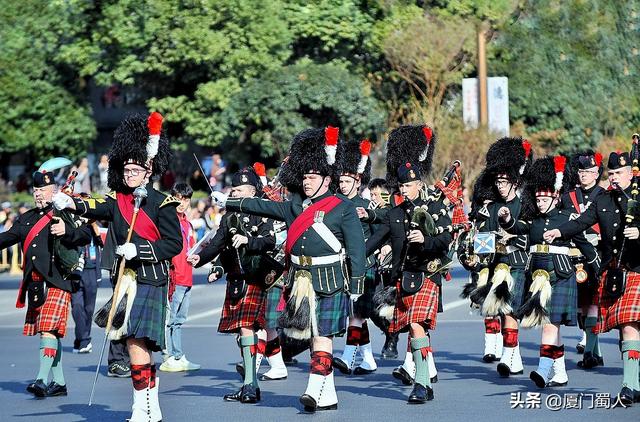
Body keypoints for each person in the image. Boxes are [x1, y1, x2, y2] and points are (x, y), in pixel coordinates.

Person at [210, 127, 366, 412]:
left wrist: (356, 288)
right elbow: (262, 206)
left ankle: (313, 388)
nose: (306, 182)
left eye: (312, 177)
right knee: (311, 336)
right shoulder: (296, 206)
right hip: (299, 279)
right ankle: (327, 394)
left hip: (329, 278)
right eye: (304, 177)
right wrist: (229, 201)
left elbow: (357, 250)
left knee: (322, 336)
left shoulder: (342, 207)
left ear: (327, 179)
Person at [53, 112, 182, 421]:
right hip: (125, 280)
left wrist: (140, 249)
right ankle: (148, 407)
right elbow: (96, 205)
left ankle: (144, 407)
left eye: (135, 170)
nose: (129, 175)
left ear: (147, 170)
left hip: (151, 278)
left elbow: (173, 244)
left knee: (137, 341)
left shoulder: (162, 203)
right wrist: (71, 203)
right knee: (133, 341)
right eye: (126, 169)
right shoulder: (119, 199)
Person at [544, 150, 640, 405]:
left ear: (631, 173)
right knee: (627, 326)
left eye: (619, 173)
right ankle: (630, 386)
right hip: (617, 272)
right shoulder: (603, 200)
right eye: (611, 174)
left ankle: (634, 381)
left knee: (632, 328)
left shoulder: (638, 197)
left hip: (639, 267)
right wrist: (558, 230)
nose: (614, 178)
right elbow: (582, 222)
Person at [364, 125, 450, 403]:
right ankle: (423, 378)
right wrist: (353, 257)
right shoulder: (395, 214)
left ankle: (421, 383)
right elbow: (374, 241)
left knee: (415, 325)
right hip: (403, 277)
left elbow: (446, 239)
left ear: (419, 185)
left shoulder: (436, 208)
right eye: (402, 185)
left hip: (427, 273)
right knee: (415, 329)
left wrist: (425, 240)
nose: (405, 189)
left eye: (409, 185)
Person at [498, 156, 599, 388]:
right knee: (552, 326)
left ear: (555, 196)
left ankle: (543, 370)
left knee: (550, 325)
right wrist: (505, 218)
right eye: (537, 198)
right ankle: (560, 372)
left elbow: (583, 243)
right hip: (537, 278)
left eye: (544, 198)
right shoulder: (533, 220)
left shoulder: (567, 219)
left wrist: (596, 265)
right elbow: (516, 227)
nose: (540, 201)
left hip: (561, 276)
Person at [0, 169, 92, 398]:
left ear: (54, 191)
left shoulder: (64, 211)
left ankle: (41, 379)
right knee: (51, 333)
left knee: (47, 329)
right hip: (36, 284)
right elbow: (8, 238)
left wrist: (66, 230)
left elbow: (86, 235)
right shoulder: (27, 218)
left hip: (59, 279)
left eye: (44, 190)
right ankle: (59, 383)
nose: (39, 194)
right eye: (37, 189)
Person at [188, 167, 276, 402]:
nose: (234, 193)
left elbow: (271, 240)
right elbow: (217, 244)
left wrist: (250, 240)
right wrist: (201, 260)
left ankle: (249, 384)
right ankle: (251, 384)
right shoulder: (229, 216)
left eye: (238, 190)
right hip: (237, 278)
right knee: (243, 332)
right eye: (233, 189)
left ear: (252, 190)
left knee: (248, 327)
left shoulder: (264, 211)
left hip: (257, 276)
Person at [461, 138, 532, 376]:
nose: (500, 185)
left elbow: (529, 236)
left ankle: (509, 356)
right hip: (497, 264)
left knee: (510, 311)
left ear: (514, 181)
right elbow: (482, 240)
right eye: (498, 181)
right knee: (502, 311)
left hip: (517, 263)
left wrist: (509, 230)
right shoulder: (490, 208)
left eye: (505, 181)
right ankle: (514, 357)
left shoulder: (525, 205)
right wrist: (472, 255)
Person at [332, 139, 378, 375]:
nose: (342, 184)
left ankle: (349, 356)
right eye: (340, 180)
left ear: (358, 182)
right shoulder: (336, 202)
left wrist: (369, 214)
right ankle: (368, 359)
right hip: (342, 265)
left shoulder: (367, 204)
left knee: (355, 314)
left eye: (347, 181)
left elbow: (382, 227)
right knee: (358, 316)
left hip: (364, 264)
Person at [559, 151, 606, 367]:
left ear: (597, 173)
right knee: (582, 305)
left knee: (593, 303)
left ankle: (590, 351)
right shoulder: (568, 197)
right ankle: (594, 351)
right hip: (573, 256)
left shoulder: (604, 195)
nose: (583, 175)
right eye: (581, 171)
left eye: (588, 171)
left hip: (597, 254)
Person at [160, 183, 201, 372]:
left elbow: (190, 248)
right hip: (174, 276)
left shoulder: (188, 223)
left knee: (179, 320)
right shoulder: (168, 221)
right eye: (178, 198)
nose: (182, 203)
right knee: (170, 319)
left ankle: (178, 354)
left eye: (185, 199)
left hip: (187, 276)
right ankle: (169, 356)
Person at [71, 218, 104, 354]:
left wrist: (98, 274)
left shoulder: (96, 228)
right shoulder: (72, 224)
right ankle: (84, 339)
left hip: (91, 272)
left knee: (89, 309)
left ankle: (80, 340)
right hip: (76, 272)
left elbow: (101, 246)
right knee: (77, 307)